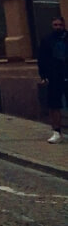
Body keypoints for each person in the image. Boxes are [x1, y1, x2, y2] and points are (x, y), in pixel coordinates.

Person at [38, 15, 68, 143]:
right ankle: (57, 132)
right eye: (55, 25)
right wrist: (43, 75)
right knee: (53, 105)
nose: (58, 27)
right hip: (53, 76)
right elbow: (42, 59)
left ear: (64, 25)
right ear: (52, 26)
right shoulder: (47, 40)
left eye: (60, 25)